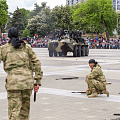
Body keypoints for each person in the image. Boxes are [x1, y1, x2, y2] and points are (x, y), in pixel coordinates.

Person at [0, 27, 42, 120]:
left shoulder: (3, 49)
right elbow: (37, 62)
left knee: (14, 111)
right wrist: (37, 81)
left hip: (13, 83)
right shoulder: (26, 47)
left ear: (8, 36)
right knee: (24, 112)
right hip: (27, 83)